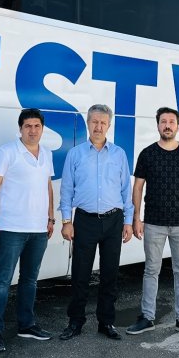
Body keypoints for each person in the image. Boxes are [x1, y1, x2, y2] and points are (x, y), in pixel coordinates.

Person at [0, 108, 56, 353]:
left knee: (30, 280)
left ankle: (26, 325)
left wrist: (50, 218)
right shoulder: (7, 152)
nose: (33, 131)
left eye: (37, 126)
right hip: (11, 228)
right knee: (2, 281)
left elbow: (47, 186)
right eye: (28, 126)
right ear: (20, 129)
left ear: (42, 129)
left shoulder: (46, 154)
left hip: (38, 229)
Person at [59, 104, 134, 341]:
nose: (98, 127)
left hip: (114, 220)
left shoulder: (119, 154)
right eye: (94, 122)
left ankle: (106, 322)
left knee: (110, 274)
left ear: (109, 125)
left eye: (103, 122)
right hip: (85, 221)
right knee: (80, 274)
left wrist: (128, 221)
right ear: (88, 124)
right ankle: (75, 322)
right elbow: (66, 189)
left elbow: (126, 190)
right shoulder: (75, 154)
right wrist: (66, 221)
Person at [128, 107, 179, 337]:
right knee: (151, 270)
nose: (167, 125)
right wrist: (136, 218)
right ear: (158, 125)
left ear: (178, 126)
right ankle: (147, 317)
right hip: (153, 223)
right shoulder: (147, 154)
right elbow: (138, 187)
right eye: (163, 121)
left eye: (171, 122)